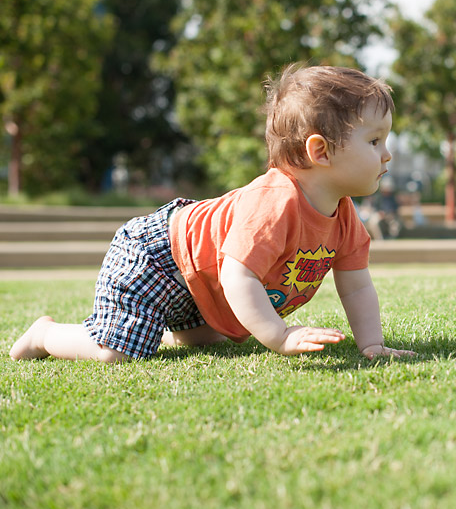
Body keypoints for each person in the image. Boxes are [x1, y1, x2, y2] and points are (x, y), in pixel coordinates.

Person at [9, 64, 415, 363]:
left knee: (211, 339)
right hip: (158, 256)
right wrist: (280, 335)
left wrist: (371, 345)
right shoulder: (274, 203)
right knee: (117, 353)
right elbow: (237, 275)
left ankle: (167, 329)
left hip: (201, 281)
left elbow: (357, 288)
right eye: (375, 140)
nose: (387, 154)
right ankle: (46, 335)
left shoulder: (345, 220)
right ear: (320, 151)